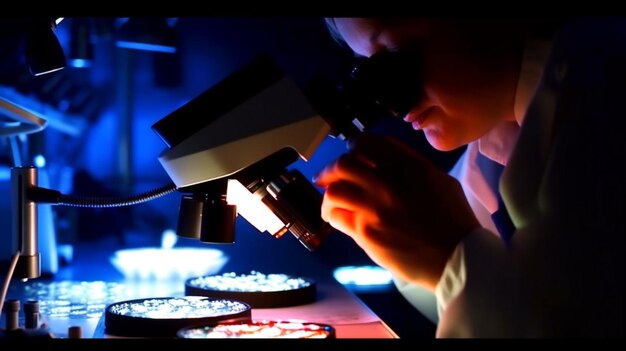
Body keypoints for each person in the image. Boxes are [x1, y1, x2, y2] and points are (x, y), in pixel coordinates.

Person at [313, 17, 625, 337]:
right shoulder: (496, 145)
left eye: (398, 52)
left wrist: (455, 260)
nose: (390, 100)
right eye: (368, 67)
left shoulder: (602, 111)